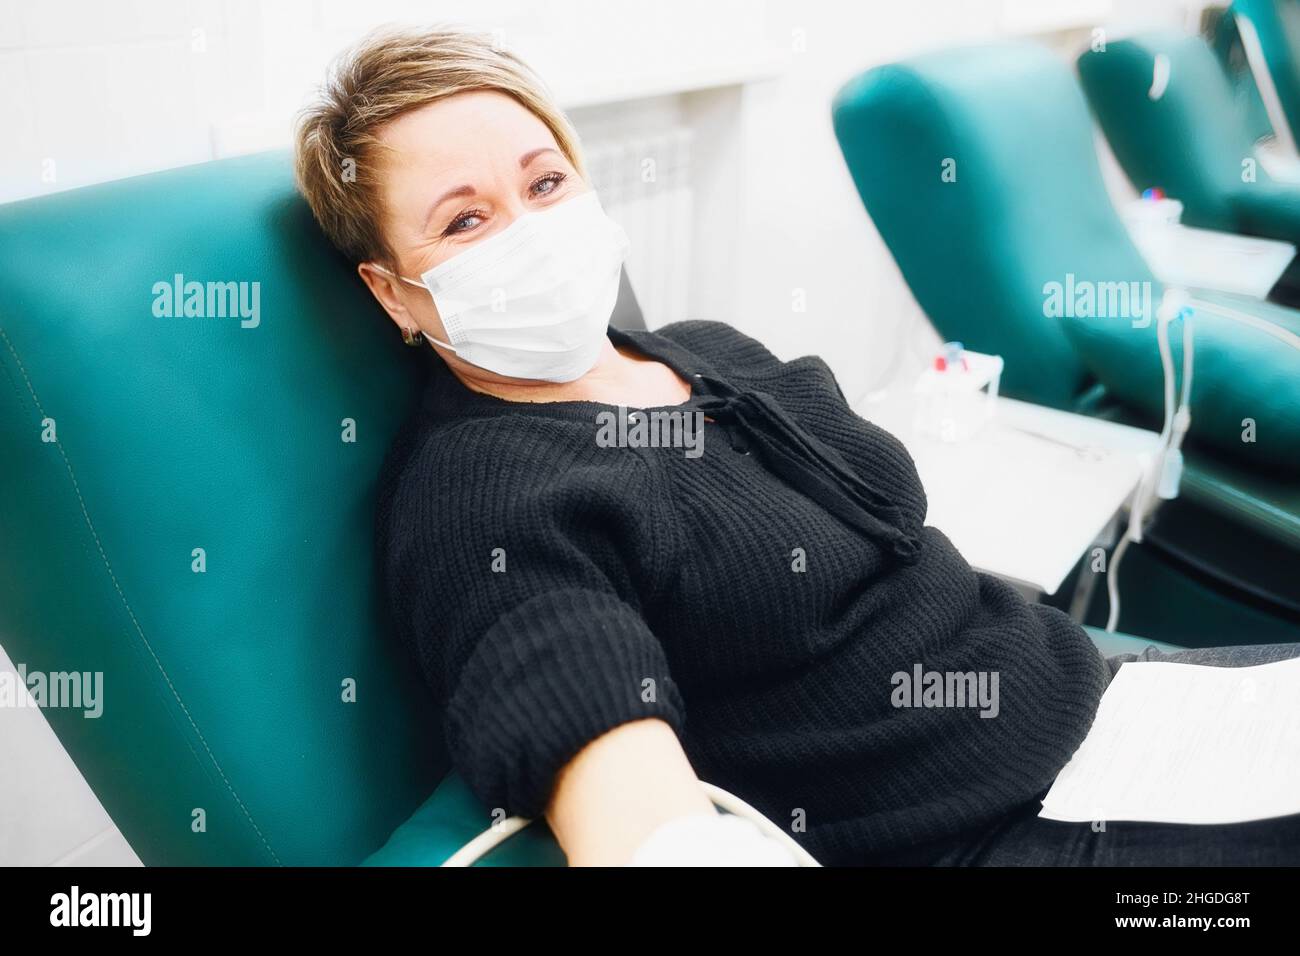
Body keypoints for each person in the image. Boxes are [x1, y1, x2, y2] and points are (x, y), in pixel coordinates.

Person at [293, 25, 1300, 866]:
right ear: (391, 289)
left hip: (1093, 695)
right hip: (1008, 825)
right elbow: (609, 770)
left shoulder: (701, 349)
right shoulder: (483, 499)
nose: (526, 230)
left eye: (545, 183)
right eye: (464, 220)